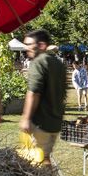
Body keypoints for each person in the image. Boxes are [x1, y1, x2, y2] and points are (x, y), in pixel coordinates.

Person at [19, 29, 66, 166]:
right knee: (44, 159)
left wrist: (26, 118)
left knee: (37, 162)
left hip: (41, 122)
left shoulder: (38, 62)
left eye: (29, 44)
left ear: (41, 45)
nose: (25, 48)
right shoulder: (58, 63)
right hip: (55, 121)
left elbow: (33, 92)